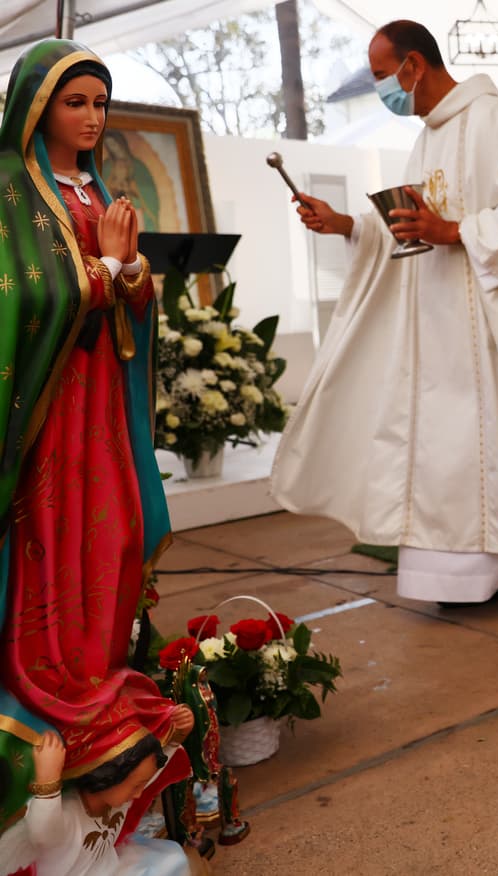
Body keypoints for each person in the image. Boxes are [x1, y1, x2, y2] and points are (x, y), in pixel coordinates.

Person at [271, 20, 498, 633]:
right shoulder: (428, 137)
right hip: (440, 328)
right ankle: (473, 576)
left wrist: (455, 231)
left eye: (383, 76)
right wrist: (351, 226)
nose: (383, 88)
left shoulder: (494, 121)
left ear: (413, 65)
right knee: (452, 458)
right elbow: (412, 219)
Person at [0, 38, 183, 830]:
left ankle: (100, 670)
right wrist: (105, 272)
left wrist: (133, 278)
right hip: (44, 412)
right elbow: (20, 301)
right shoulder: (11, 189)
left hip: (100, 408)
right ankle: (55, 682)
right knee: (52, 537)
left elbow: (127, 301)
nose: (92, 117)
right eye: (76, 102)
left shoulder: (94, 188)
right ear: (37, 108)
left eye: (99, 103)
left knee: (110, 537)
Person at [0, 724, 207, 875]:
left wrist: (174, 737)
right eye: (135, 786)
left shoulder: (117, 797)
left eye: (140, 785)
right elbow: (43, 833)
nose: (138, 794)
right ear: (109, 776)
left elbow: (149, 775)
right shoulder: (70, 812)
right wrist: (47, 783)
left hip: (112, 866)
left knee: (173, 860)